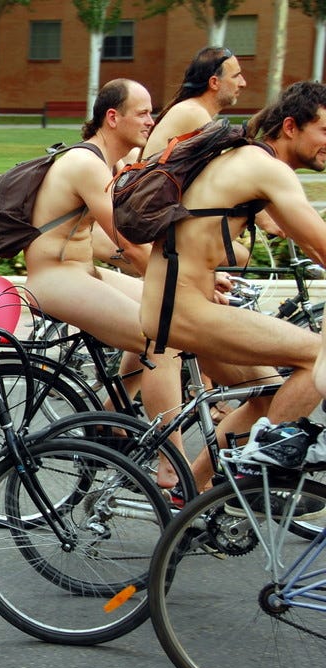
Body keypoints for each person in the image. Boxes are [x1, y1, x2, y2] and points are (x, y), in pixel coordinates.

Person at [139, 80, 326, 490]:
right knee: (315, 358)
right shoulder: (266, 168)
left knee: (266, 393)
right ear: (291, 126)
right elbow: (321, 243)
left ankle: (191, 492)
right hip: (183, 308)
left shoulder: (250, 161)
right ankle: (260, 470)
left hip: (176, 302)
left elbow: (307, 241)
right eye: (325, 131)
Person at [22, 78, 193, 489]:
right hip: (55, 279)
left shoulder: (108, 162)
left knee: (181, 317)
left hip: (82, 272)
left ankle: (110, 413)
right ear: (112, 117)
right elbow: (127, 239)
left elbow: (110, 237)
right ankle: (173, 464)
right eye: (144, 112)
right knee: (163, 335)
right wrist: (177, 276)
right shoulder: (87, 164)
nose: (153, 121)